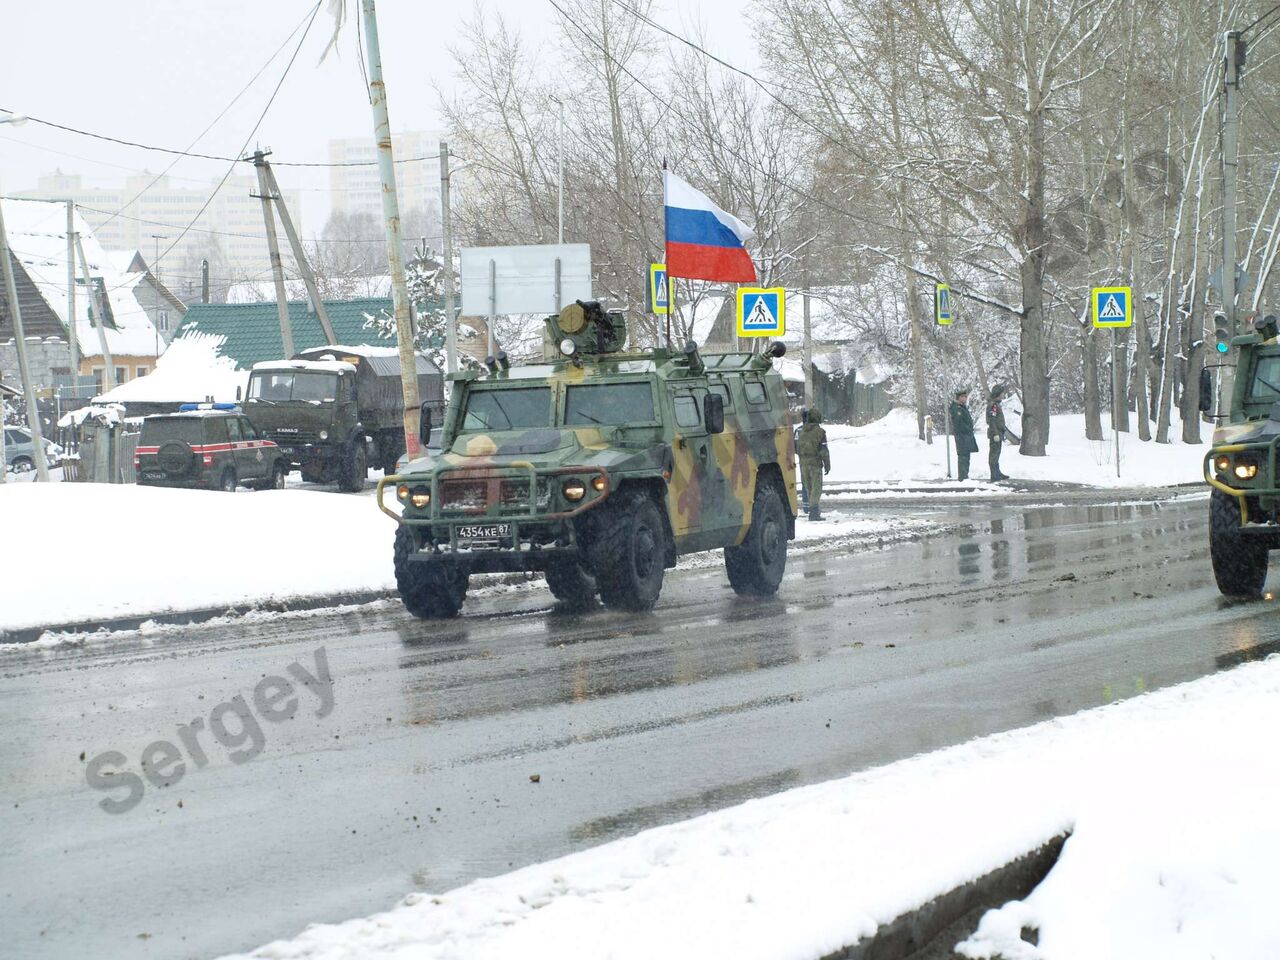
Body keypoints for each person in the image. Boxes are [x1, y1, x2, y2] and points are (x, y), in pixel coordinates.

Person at [796, 406, 830, 520]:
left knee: (809, 488)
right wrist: (827, 464)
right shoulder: (820, 432)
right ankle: (814, 513)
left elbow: (797, 447)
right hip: (815, 463)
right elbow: (823, 450)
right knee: (816, 488)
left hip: (803, 463)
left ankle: (812, 511)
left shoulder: (801, 432)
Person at [985, 383, 1020, 481]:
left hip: (999, 432)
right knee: (994, 454)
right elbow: (991, 421)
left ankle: (997, 472)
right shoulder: (993, 405)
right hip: (994, 433)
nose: (1003, 395)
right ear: (997, 394)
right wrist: (995, 433)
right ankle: (994, 474)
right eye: (1002, 394)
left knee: (997, 453)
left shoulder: (996, 404)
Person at [949, 388, 978, 481]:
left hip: (965, 435)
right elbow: (959, 423)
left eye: (966, 397)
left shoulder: (961, 407)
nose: (965, 398)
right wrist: (968, 429)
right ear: (959, 397)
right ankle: (962, 476)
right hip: (962, 436)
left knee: (966, 456)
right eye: (964, 397)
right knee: (963, 456)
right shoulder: (957, 409)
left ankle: (965, 475)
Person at [793, 408, 809, 512]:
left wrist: (799, 453)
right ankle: (813, 506)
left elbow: (793, 445)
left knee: (805, 482)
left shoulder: (798, 430)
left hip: (802, 459)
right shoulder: (813, 430)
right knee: (814, 484)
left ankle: (806, 506)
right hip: (813, 459)